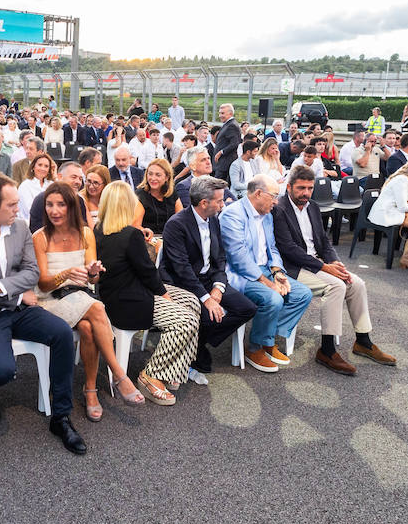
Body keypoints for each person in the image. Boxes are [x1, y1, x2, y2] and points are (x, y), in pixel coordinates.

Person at [0, 174, 86, 455]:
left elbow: (32, 273)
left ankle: (60, 416)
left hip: (16, 307)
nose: (17, 210)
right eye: (11, 205)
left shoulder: (20, 227)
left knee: (61, 333)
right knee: (2, 370)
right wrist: (16, 288)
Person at [33, 182, 142, 420]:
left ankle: (90, 390)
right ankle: (119, 375)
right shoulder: (40, 237)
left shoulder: (85, 233)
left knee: (87, 327)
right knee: (96, 307)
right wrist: (66, 274)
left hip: (79, 296)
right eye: (49, 205)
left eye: (61, 204)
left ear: (72, 207)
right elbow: (42, 285)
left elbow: (92, 277)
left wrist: (93, 271)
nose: (54, 210)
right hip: (49, 300)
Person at [272, 167, 396, 374]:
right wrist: (326, 267)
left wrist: (336, 264)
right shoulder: (280, 209)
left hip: (316, 262)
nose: (306, 193)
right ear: (289, 187)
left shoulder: (311, 206)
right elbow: (288, 249)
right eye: (301, 188)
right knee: (336, 286)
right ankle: (327, 350)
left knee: (355, 283)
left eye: (310, 188)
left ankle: (363, 341)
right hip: (293, 267)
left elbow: (323, 241)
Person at [94, 182, 200, 404]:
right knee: (187, 320)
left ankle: (172, 370)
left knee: (192, 301)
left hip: (116, 295)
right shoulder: (130, 234)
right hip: (131, 301)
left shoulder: (99, 229)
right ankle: (152, 374)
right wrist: (163, 294)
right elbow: (147, 272)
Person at [159, 175, 259, 380]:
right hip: (183, 284)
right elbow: (181, 269)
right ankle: (195, 346)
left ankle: (198, 342)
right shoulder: (176, 225)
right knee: (208, 316)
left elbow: (220, 258)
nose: (224, 204)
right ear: (204, 203)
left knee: (247, 308)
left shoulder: (213, 219)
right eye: (220, 200)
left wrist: (218, 288)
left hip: (209, 279)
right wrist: (207, 299)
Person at [215, 173, 312, 371]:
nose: (276, 202)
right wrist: (267, 283)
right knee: (273, 298)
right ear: (258, 193)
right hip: (240, 274)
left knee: (303, 294)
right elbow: (238, 257)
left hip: (266, 270)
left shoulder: (266, 214)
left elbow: (273, 248)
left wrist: (277, 273)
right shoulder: (233, 214)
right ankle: (256, 347)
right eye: (273, 196)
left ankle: (268, 337)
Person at [28, 161, 87, 233]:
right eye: (73, 177)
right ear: (60, 177)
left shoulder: (79, 201)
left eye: (80, 179)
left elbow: (83, 229)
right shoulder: (41, 200)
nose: (78, 182)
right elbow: (37, 234)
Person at [16, 152, 56, 220]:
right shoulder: (25, 186)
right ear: (33, 167)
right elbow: (30, 210)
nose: (43, 169)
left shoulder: (52, 185)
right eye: (40, 165)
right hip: (30, 224)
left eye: (46, 166)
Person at [211, 103, 242, 182]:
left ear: (230, 113)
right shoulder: (227, 124)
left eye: (222, 113)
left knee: (217, 186)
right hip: (221, 164)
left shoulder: (232, 125)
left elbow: (235, 143)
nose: (220, 115)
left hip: (225, 164)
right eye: (219, 113)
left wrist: (221, 152)